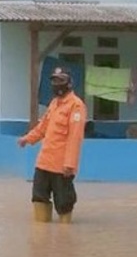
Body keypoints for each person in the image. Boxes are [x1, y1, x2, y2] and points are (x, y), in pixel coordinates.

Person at [18, 67, 87, 224]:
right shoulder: (54, 104)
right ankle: (42, 237)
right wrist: (27, 139)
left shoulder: (76, 106)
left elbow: (75, 137)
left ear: (69, 83)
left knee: (64, 203)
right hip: (44, 162)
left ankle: (64, 239)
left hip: (61, 166)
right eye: (54, 80)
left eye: (60, 80)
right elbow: (43, 127)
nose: (56, 84)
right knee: (38, 197)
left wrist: (70, 164)